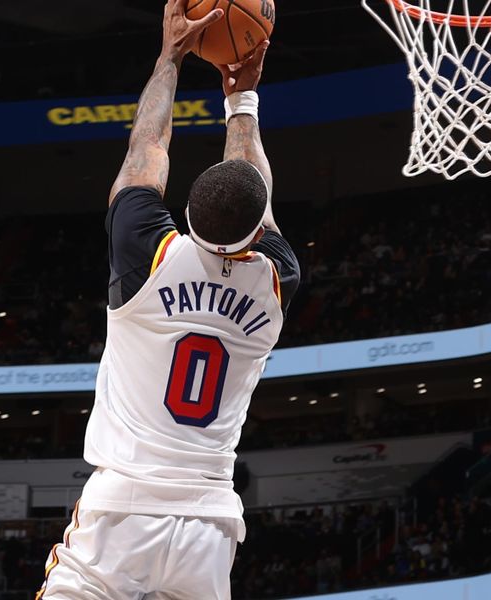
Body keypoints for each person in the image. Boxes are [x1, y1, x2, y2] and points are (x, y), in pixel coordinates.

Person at [36, 1, 299, 598]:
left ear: (185, 216)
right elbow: (253, 194)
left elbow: (144, 155)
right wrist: (243, 100)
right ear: (259, 225)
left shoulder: (149, 257)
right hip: (209, 523)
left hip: (122, 511)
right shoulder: (276, 280)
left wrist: (170, 56)